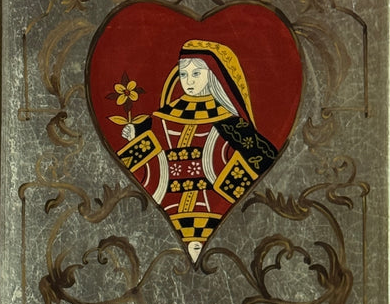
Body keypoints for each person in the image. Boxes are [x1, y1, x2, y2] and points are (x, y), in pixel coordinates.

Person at [115, 38, 278, 261]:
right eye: (183, 74)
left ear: (211, 75)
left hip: (212, 207)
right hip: (168, 206)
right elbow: (154, 127)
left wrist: (226, 185)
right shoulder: (167, 114)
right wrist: (135, 131)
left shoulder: (226, 119)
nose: (189, 81)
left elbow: (264, 156)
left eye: (196, 73)